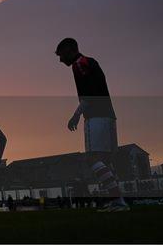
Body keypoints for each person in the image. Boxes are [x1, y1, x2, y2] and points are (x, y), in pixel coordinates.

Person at [55, 38, 129, 212]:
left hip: (96, 116)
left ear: (69, 50)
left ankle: (118, 201)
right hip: (109, 115)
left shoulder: (79, 64)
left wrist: (76, 115)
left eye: (61, 55)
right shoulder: (90, 62)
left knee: (92, 158)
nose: (60, 60)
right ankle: (117, 201)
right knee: (106, 161)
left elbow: (88, 94)